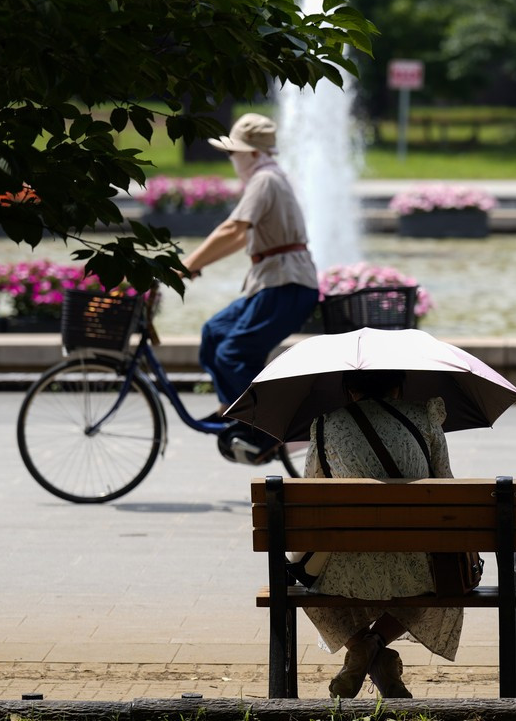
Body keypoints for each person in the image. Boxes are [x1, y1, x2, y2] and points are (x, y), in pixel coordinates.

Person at [301, 369, 463, 699]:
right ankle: (376, 648)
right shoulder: (426, 419)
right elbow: (447, 487)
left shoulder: (324, 425)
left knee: (306, 581)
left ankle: (360, 649)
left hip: (345, 569)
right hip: (420, 568)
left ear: (348, 389)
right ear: (398, 386)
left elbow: (309, 496)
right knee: (441, 581)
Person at [180, 113, 321, 459]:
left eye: (235, 152)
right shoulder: (267, 178)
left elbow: (231, 229)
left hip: (286, 285)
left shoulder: (265, 180)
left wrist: (187, 264)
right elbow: (239, 236)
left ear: (254, 154)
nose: (232, 160)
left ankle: (266, 428)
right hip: (274, 282)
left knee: (233, 353)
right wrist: (197, 264)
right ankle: (234, 410)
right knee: (214, 332)